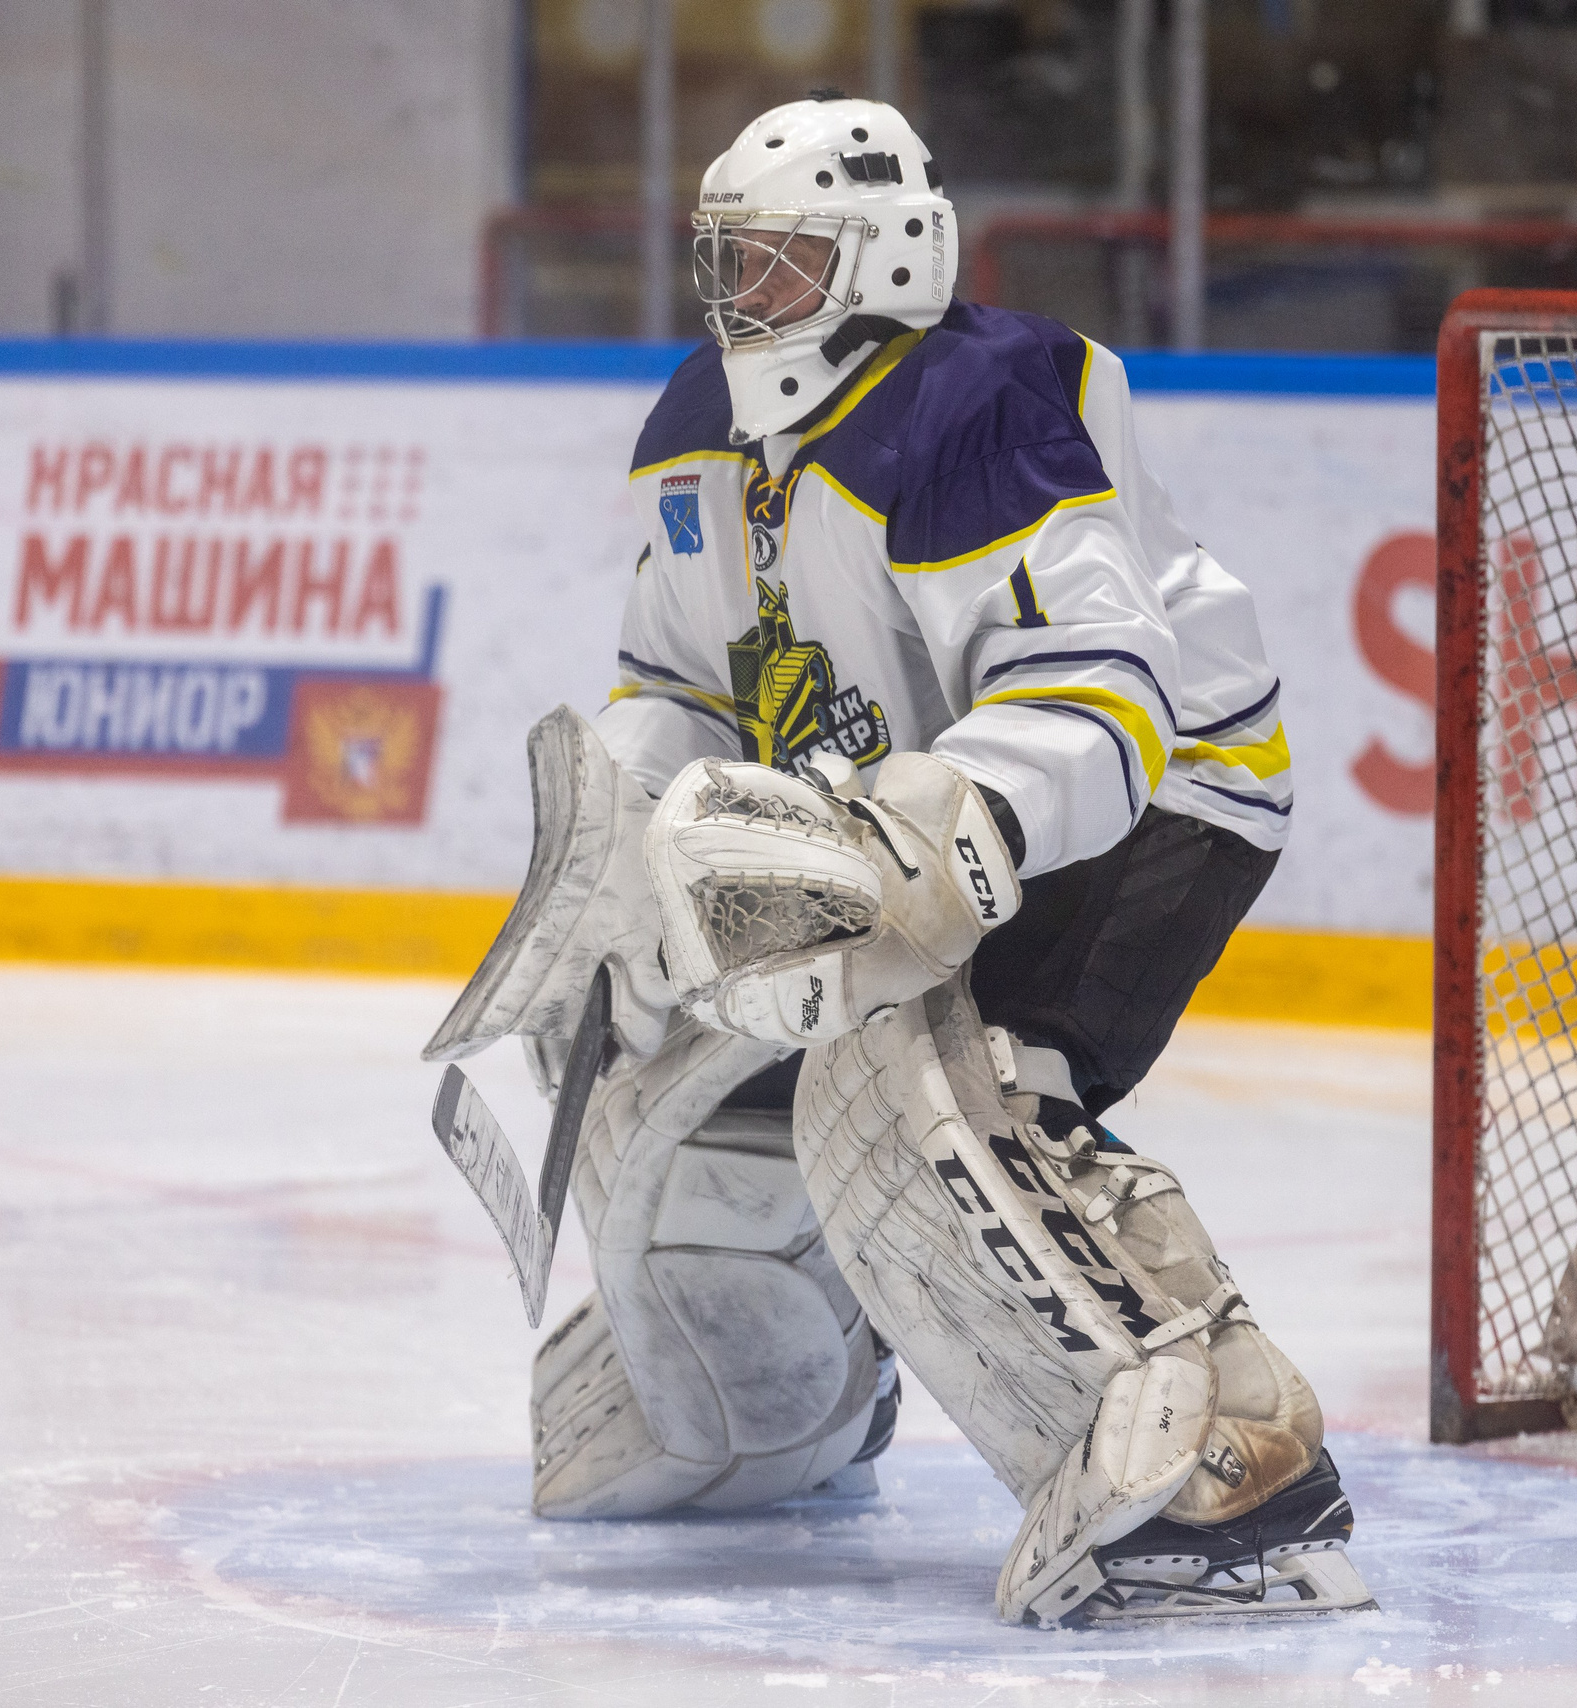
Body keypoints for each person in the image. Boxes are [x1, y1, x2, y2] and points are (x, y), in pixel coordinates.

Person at [423, 92, 1370, 1627]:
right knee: (671, 1049)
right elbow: (671, 688)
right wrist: (628, 841)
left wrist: (957, 831)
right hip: (887, 806)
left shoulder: (983, 399)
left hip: (1150, 790)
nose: (744, 298)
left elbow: (1099, 685)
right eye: (730, 260)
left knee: (945, 1077)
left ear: (894, 256)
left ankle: (1222, 1445)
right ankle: (759, 1414)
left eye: (784, 261)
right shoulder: (701, 427)